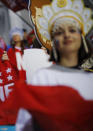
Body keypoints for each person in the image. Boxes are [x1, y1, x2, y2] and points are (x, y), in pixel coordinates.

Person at [16, 0, 93, 130]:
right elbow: (25, 124)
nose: (67, 35)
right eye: (60, 31)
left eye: (72, 30)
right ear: (52, 40)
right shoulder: (43, 78)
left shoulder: (90, 80)